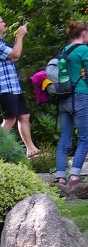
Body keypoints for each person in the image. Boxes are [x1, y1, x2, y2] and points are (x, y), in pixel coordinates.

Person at [0, 14, 40, 157]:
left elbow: (12, 56)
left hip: (13, 86)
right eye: (2, 21)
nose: (5, 23)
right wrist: (19, 36)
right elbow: (15, 54)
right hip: (4, 87)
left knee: (24, 116)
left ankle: (31, 150)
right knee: (10, 119)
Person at [54, 20, 88, 191]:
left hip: (64, 97)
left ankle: (60, 177)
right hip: (80, 96)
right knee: (84, 138)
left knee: (64, 139)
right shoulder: (84, 50)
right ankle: (74, 175)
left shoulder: (64, 51)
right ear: (84, 34)